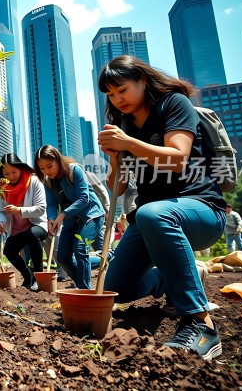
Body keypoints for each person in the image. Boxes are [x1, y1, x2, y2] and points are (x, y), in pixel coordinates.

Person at [97, 55, 226, 359]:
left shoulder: (173, 104)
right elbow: (118, 188)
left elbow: (177, 159)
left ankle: (201, 324)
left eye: (122, 90)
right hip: (151, 219)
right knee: (116, 290)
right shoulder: (124, 124)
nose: (117, 100)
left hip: (200, 210)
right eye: (110, 95)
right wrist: (115, 160)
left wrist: (128, 143)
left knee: (151, 212)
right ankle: (173, 276)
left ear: (143, 80)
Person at [34, 145, 105, 290]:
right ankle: (86, 283)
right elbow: (51, 204)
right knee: (63, 258)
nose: (47, 171)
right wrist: (52, 218)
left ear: (58, 160)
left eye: (49, 166)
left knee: (80, 249)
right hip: (72, 220)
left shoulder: (74, 170)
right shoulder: (48, 181)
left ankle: (84, 291)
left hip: (91, 216)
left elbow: (84, 198)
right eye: (42, 168)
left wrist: (63, 214)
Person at [0, 153, 48, 290]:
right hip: (17, 229)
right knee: (9, 251)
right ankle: (28, 276)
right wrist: (1, 221)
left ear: (20, 168)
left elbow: (41, 209)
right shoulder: (1, 186)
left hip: (37, 225)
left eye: (14, 172)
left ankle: (38, 275)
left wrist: (19, 210)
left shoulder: (34, 181)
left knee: (32, 234)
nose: (11, 176)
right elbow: (0, 210)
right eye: (6, 173)